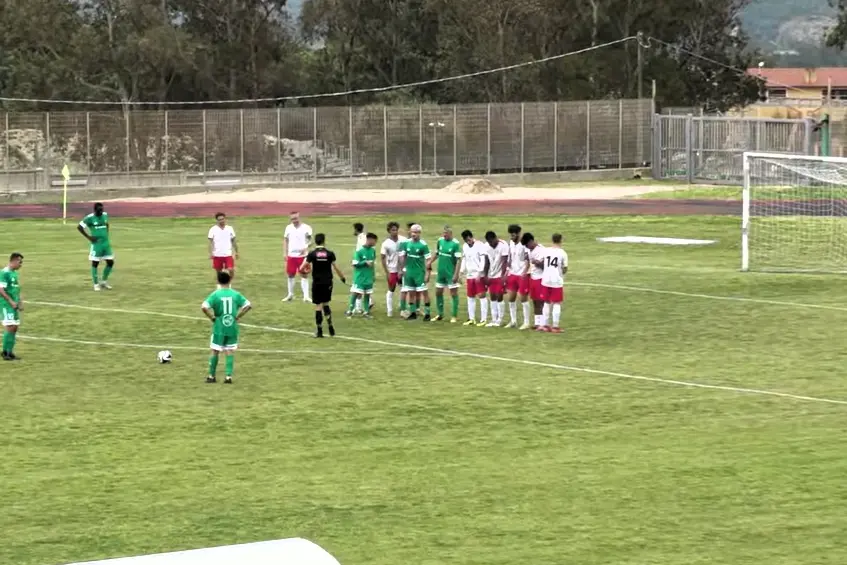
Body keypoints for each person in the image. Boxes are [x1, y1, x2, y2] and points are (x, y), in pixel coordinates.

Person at [201, 270, 252, 383]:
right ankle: (228, 377)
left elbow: (204, 307)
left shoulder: (215, 294)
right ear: (230, 280)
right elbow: (248, 305)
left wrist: (212, 318)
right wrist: (238, 317)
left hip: (219, 327)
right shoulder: (235, 294)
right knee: (229, 351)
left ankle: (211, 376)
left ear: (218, 281)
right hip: (231, 326)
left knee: (215, 350)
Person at [303, 233, 347, 337]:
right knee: (326, 304)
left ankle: (319, 330)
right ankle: (331, 326)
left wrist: (307, 270)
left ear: (316, 241)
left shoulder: (312, 254)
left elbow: (304, 267)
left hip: (317, 282)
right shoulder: (330, 253)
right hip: (327, 282)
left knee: (318, 306)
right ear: (324, 241)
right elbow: (336, 267)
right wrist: (342, 277)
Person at [397, 224, 431, 321]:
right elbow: (403, 257)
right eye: (412, 232)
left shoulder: (423, 245)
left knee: (424, 292)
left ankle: (427, 314)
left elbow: (428, 260)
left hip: (419, 273)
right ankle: (413, 313)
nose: (413, 234)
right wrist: (402, 269)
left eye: (415, 232)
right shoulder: (407, 243)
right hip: (409, 273)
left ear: (419, 233)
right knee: (411, 293)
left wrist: (427, 274)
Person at [77, 202, 114, 291]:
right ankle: (96, 284)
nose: (100, 212)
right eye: (99, 211)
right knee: (95, 263)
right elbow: (79, 227)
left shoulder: (105, 215)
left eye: (102, 210)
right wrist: (89, 237)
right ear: (95, 210)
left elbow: (107, 224)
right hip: (97, 245)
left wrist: (106, 234)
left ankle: (104, 282)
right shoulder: (89, 218)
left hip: (106, 244)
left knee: (110, 262)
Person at [430, 226, 462, 322]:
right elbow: (437, 253)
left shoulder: (455, 244)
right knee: (438, 292)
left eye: (446, 233)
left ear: (450, 233)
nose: (444, 235)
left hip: (450, 273)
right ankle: (440, 314)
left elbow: (458, 260)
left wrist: (456, 274)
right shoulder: (440, 241)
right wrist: (429, 262)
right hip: (441, 272)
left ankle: (454, 316)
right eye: (443, 233)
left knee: (453, 293)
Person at [538, 233, 568, 333]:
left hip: (546, 279)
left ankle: (544, 325)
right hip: (556, 281)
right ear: (561, 240)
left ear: (552, 240)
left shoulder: (546, 251)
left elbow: (540, 262)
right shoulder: (562, 253)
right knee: (556, 303)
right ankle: (555, 326)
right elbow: (565, 268)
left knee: (546, 302)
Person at [506, 224, 532, 329]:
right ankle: (513, 321)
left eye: (513, 235)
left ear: (518, 234)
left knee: (523, 298)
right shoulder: (511, 243)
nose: (511, 237)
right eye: (510, 235)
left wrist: (525, 272)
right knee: (511, 298)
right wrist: (507, 270)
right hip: (513, 273)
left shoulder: (524, 244)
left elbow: (528, 259)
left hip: (522, 275)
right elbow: (510, 258)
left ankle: (526, 322)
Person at [460, 230, 488, 326]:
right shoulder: (464, 246)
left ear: (471, 237)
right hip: (469, 275)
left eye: (468, 239)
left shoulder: (480, 245)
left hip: (478, 274)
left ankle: (483, 319)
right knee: (470, 296)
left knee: (481, 296)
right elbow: (464, 259)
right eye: (465, 240)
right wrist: (461, 271)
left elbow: (483, 260)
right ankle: (471, 318)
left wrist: (480, 272)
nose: (468, 241)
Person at [283, 211, 312, 302]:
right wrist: (285, 252)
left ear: (299, 217)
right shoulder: (288, 228)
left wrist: (306, 247)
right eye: (292, 219)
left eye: (295, 218)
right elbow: (285, 240)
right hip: (291, 255)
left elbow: (310, 240)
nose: (294, 220)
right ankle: (290, 294)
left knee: (304, 274)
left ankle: (306, 296)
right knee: (290, 274)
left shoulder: (306, 228)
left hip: (303, 256)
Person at [380, 221, 407, 317]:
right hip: (392, 269)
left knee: (404, 288)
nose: (395, 232)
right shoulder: (386, 243)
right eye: (393, 230)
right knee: (391, 289)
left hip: (402, 268)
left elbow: (407, 253)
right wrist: (386, 271)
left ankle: (402, 307)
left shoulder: (403, 240)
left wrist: (404, 268)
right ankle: (389, 310)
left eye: (396, 230)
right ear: (389, 231)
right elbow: (382, 257)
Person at [347, 232, 378, 318]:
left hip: (368, 277)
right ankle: (350, 310)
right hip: (360, 277)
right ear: (369, 240)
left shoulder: (373, 251)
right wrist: (364, 262)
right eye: (374, 241)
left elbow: (373, 264)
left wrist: (373, 275)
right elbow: (354, 264)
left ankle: (366, 312)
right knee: (356, 293)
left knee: (367, 294)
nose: (375, 243)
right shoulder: (359, 251)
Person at [483, 230, 509, 327]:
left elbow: (505, 261)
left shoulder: (503, 245)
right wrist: (485, 275)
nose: (491, 244)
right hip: (491, 274)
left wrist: (503, 276)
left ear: (495, 238)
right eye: (489, 242)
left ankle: (500, 319)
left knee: (499, 296)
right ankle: (494, 319)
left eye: (492, 242)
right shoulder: (486, 246)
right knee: (492, 296)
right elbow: (487, 261)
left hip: (499, 275)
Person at [0, 252, 24, 361]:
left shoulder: (14, 273)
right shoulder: (4, 273)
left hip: (13, 304)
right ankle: (5, 352)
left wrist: (20, 301)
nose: (21, 264)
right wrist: (11, 302)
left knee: (14, 327)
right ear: (13, 260)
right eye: (20, 262)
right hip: (6, 305)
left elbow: (16, 289)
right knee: (10, 327)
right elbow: (1, 290)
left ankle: (10, 351)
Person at [523, 233, 546, 329]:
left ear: (531, 241)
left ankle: (543, 323)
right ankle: (537, 323)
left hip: (541, 278)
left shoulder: (541, 250)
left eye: (527, 245)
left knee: (541, 302)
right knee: (535, 301)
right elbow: (529, 263)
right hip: (533, 278)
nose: (527, 247)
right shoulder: (529, 250)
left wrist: (538, 263)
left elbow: (545, 266)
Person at [208, 212, 238, 278]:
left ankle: (229, 283)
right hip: (217, 254)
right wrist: (210, 253)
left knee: (231, 269)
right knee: (219, 271)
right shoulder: (213, 229)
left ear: (225, 219)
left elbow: (233, 241)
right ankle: (220, 285)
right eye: (219, 219)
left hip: (228, 254)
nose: (221, 221)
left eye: (222, 219)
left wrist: (236, 252)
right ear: (217, 220)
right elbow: (210, 242)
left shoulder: (230, 228)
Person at [352, 222, 367, 313]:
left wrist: (357, 263)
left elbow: (362, 251)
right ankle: (359, 306)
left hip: (361, 265)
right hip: (362, 264)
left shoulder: (361, 238)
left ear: (356, 229)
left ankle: (359, 307)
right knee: (361, 285)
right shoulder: (362, 237)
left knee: (358, 285)